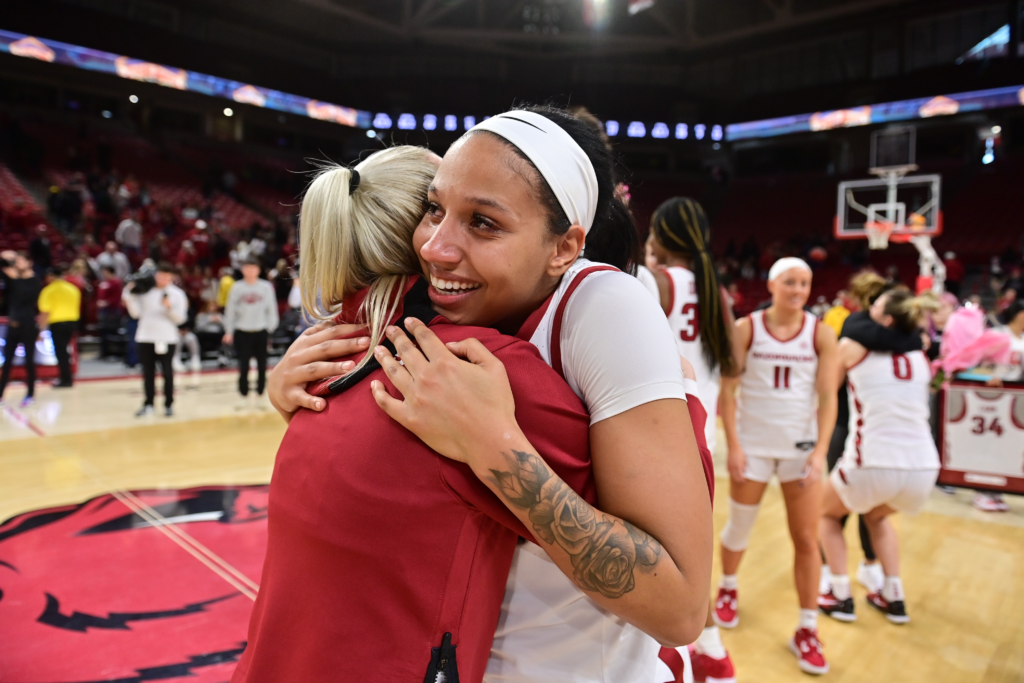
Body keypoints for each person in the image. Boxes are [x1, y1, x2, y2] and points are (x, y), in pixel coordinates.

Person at [264, 107, 713, 683]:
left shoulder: (606, 306)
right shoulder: (454, 325)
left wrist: (494, 447)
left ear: (563, 247)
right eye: (433, 209)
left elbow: (680, 611)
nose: (434, 247)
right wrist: (300, 402)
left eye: (483, 223)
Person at [716, 257, 838, 675]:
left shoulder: (821, 333)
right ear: (771, 284)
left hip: (799, 452)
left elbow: (828, 398)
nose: (798, 290)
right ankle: (727, 588)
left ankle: (807, 628)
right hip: (752, 446)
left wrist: (820, 452)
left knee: (806, 539)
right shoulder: (747, 329)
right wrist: (732, 445)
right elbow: (728, 393)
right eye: (790, 282)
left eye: (804, 283)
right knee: (739, 527)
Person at [645, 196, 739, 683]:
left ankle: (691, 657)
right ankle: (715, 654)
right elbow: (734, 364)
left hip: (666, 441)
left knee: (667, 567)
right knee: (691, 556)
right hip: (706, 435)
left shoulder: (656, 281)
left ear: (661, 236)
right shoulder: (716, 290)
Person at [818, 289, 940, 625]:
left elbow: (825, 393)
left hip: (872, 458)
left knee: (824, 515)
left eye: (877, 305)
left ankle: (840, 594)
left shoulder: (852, 347)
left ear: (886, 318)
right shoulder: (920, 354)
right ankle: (894, 596)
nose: (870, 307)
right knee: (877, 517)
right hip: (924, 467)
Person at [122, 262, 188, 417]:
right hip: (145, 336)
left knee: (167, 372)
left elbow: (180, 319)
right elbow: (135, 314)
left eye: (167, 277)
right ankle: (148, 403)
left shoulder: (177, 294)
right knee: (148, 372)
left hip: (167, 338)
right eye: (160, 276)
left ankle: (168, 404)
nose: (163, 280)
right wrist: (129, 297)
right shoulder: (145, 291)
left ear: (172, 277)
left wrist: (169, 308)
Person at [223, 255, 279, 410]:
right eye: (247, 268)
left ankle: (261, 395)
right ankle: (243, 396)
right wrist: (229, 331)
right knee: (243, 365)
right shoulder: (237, 287)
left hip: (261, 331)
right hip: (242, 331)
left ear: (258, 270)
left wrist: (270, 328)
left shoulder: (266, 287)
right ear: (242, 270)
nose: (250, 271)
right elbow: (230, 311)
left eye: (253, 268)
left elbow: (272, 309)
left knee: (262, 365)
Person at [0, 251, 42, 408]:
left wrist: (14, 278)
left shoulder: (34, 280)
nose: (17, 264)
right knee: (7, 363)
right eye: (15, 261)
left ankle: (30, 394)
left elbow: (24, 296)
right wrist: (4, 257)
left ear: (29, 263)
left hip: (28, 327)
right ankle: (1, 394)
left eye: (20, 261)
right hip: (13, 327)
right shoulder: (13, 279)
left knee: (29, 363)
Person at [37, 265, 82, 388]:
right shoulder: (73, 288)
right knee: (66, 351)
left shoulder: (48, 290)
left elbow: (45, 312)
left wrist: (40, 330)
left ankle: (65, 379)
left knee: (60, 352)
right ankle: (67, 377)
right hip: (72, 322)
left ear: (51, 277)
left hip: (58, 324)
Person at [96, 265, 123, 360]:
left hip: (113, 310)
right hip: (103, 311)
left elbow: (117, 297)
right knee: (103, 331)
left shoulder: (116, 282)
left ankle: (116, 353)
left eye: (105, 272)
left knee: (113, 331)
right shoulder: (104, 282)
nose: (103, 274)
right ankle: (104, 352)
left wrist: (106, 303)